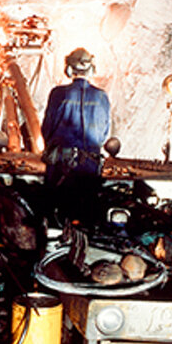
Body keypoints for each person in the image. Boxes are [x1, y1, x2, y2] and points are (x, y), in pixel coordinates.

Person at [41, 47, 111, 222]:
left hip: (60, 166)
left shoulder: (58, 94)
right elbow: (104, 134)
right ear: (92, 69)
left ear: (69, 69)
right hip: (90, 166)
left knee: (54, 216)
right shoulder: (102, 96)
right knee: (85, 216)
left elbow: (47, 129)